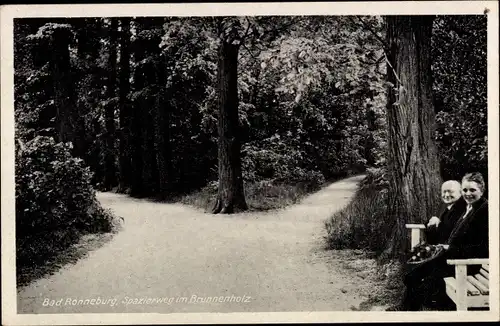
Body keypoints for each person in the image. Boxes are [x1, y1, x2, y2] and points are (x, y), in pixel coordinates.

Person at [400, 172, 489, 311]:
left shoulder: (484, 210)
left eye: (473, 190)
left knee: (424, 281)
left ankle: (412, 310)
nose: (468, 193)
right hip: (453, 256)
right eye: (465, 190)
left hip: (466, 263)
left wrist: (449, 248)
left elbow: (484, 248)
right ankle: (407, 309)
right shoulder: (470, 207)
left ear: (482, 190)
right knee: (413, 275)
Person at [425, 180, 467, 245]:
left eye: (451, 191)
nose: (446, 195)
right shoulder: (448, 207)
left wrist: (437, 223)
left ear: (460, 192)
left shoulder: (462, 208)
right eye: (444, 192)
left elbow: (447, 232)